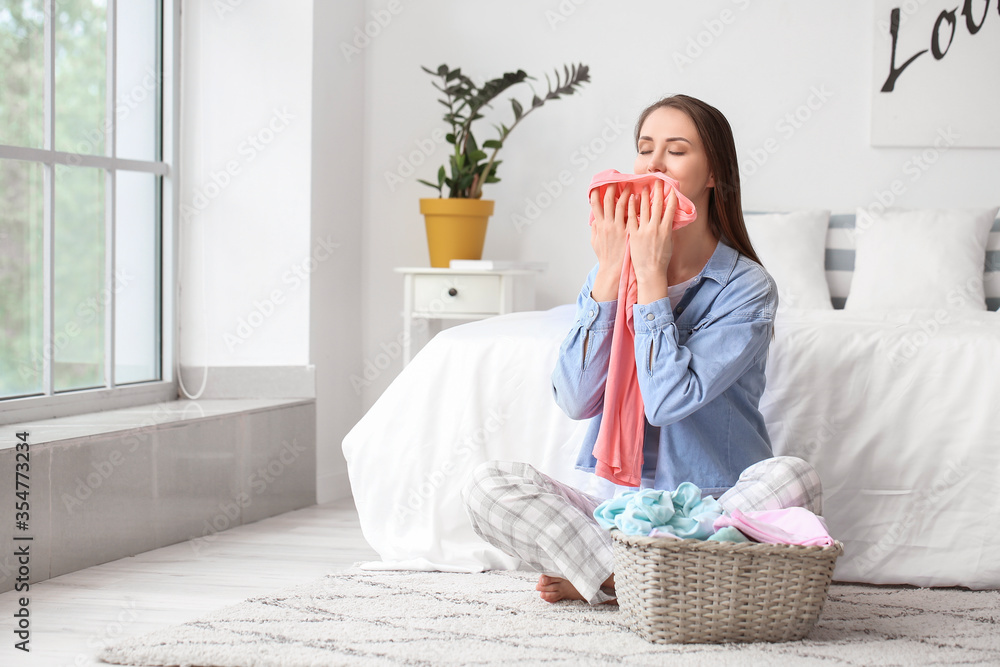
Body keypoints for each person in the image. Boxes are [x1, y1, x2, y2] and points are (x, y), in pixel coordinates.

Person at [462, 95, 822, 605]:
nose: (652, 165)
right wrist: (611, 274)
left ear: (714, 173)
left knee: (792, 476)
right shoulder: (611, 271)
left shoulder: (747, 288)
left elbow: (666, 401)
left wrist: (651, 278)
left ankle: (613, 574)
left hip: (717, 510)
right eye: (644, 149)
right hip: (622, 515)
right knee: (488, 484)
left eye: (675, 151)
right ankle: (649, 574)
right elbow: (572, 398)